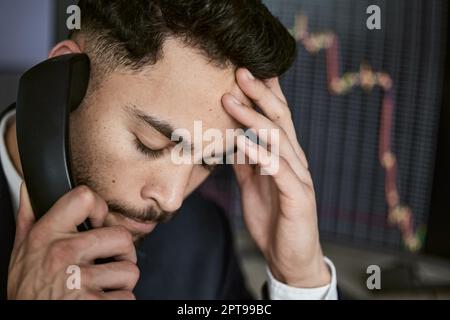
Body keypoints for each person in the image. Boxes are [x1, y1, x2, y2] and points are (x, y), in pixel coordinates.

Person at [1, 0, 337, 300]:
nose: (172, 199)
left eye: (209, 161)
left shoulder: (199, 239)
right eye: (151, 144)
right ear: (62, 80)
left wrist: (300, 279)